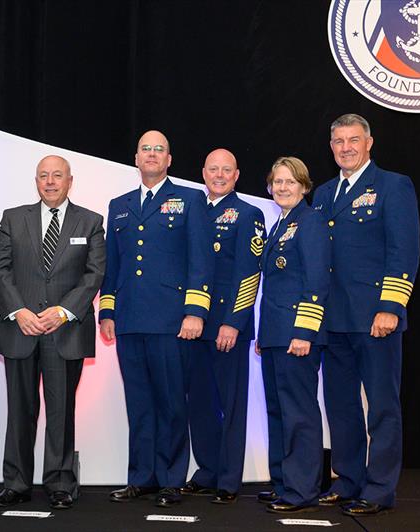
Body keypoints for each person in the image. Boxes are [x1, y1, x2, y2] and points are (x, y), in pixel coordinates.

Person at [313, 114, 420, 516]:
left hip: (376, 317)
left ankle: (378, 488)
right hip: (333, 320)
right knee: (341, 407)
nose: (346, 147)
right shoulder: (323, 194)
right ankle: (349, 478)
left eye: (353, 140)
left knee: (381, 406)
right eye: (338, 141)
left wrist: (391, 306)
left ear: (369, 142)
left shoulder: (393, 186)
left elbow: (403, 250)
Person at [100, 131, 213, 508]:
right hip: (130, 321)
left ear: (169, 159)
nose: (151, 154)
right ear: (136, 158)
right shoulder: (119, 205)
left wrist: (196, 311)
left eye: (159, 149)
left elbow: (201, 260)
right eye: (145, 149)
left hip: (171, 320)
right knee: (139, 403)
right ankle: (141, 478)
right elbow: (113, 266)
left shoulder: (190, 199)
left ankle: (170, 480)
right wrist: (108, 311)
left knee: (170, 403)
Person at [0, 155, 105, 510]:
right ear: (35, 181)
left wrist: (64, 311)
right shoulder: (13, 218)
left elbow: (94, 273)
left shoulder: (91, 221)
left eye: (58, 176)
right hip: (21, 329)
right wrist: (19, 311)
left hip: (65, 331)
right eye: (44, 176)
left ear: (71, 180)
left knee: (61, 411)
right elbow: (0, 268)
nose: (50, 182)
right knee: (19, 410)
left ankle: (59, 483)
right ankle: (16, 483)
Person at [183, 149, 265, 504]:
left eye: (226, 170)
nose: (219, 175)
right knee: (198, 403)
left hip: (225, 327)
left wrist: (233, 322)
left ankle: (229, 479)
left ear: (236, 175)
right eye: (213, 169)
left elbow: (249, 275)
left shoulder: (248, 214)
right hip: (192, 326)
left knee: (230, 406)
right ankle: (208, 470)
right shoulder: (193, 210)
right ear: (203, 172)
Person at [256, 156, 330, 514]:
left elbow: (316, 281)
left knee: (298, 413)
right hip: (274, 335)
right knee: (278, 412)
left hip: (297, 337)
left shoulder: (310, 222)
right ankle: (284, 482)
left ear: (304, 186)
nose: (283, 188)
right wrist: (264, 334)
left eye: (290, 182)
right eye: (277, 182)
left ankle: (302, 490)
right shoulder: (281, 224)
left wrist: (304, 331)